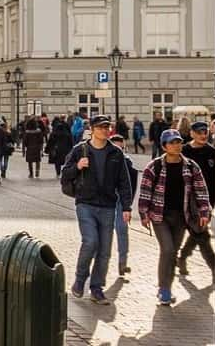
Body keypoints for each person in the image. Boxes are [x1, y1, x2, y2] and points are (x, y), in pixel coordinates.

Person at [60, 115, 133, 305]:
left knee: (105, 250)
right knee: (91, 241)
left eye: (107, 127)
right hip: (85, 203)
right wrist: (77, 166)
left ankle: (96, 288)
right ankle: (79, 279)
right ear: (92, 129)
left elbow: (124, 182)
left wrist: (126, 207)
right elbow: (65, 175)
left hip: (108, 205)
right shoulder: (80, 150)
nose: (104, 130)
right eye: (100, 127)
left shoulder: (115, 153)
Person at [137, 129, 212, 306]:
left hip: (181, 217)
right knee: (168, 250)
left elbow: (201, 190)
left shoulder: (191, 166)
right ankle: (164, 290)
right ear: (164, 146)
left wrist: (204, 211)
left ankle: (167, 288)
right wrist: (143, 213)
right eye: (172, 142)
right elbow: (145, 192)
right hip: (159, 216)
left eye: (178, 142)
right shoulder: (154, 167)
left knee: (173, 253)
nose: (176, 145)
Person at [178, 120, 215, 276]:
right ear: (192, 133)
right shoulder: (184, 151)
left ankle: (182, 257)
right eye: (199, 132)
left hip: (206, 200)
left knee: (198, 232)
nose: (203, 135)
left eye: (205, 132)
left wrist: (213, 201)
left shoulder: (212, 152)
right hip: (187, 199)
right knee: (201, 233)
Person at [109, 134, 139, 278]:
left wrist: (128, 204)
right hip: (106, 201)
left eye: (120, 147)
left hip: (121, 201)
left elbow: (132, 185)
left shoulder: (128, 162)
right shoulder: (104, 160)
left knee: (122, 231)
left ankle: (122, 263)